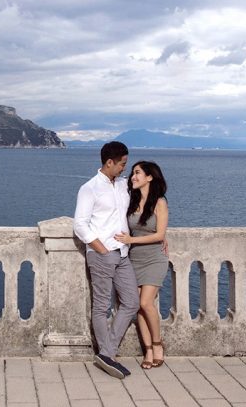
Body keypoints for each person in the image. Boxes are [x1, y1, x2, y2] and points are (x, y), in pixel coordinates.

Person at [73, 141, 139, 379]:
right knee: (102, 306)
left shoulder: (123, 185)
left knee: (132, 301)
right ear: (109, 162)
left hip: (122, 253)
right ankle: (107, 355)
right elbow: (79, 224)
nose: (124, 168)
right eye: (122, 164)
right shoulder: (89, 188)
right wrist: (100, 248)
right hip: (102, 254)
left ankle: (106, 353)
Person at [114, 160, 169, 369]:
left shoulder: (160, 203)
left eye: (137, 173)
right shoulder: (131, 200)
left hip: (155, 258)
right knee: (137, 305)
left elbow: (160, 234)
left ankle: (157, 344)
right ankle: (147, 349)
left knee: (146, 303)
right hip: (134, 258)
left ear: (150, 177)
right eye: (132, 173)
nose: (133, 177)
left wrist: (131, 240)